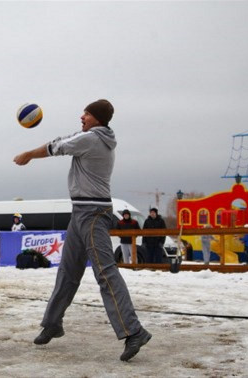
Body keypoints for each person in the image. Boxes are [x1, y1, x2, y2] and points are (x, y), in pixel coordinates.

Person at [13, 99, 151, 362]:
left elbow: (58, 146)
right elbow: (66, 139)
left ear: (97, 118)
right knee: (68, 270)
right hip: (80, 212)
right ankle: (52, 323)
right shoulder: (93, 137)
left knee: (105, 272)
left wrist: (29, 154)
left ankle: (134, 332)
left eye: (86, 113)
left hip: (93, 213)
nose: (82, 116)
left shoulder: (92, 139)